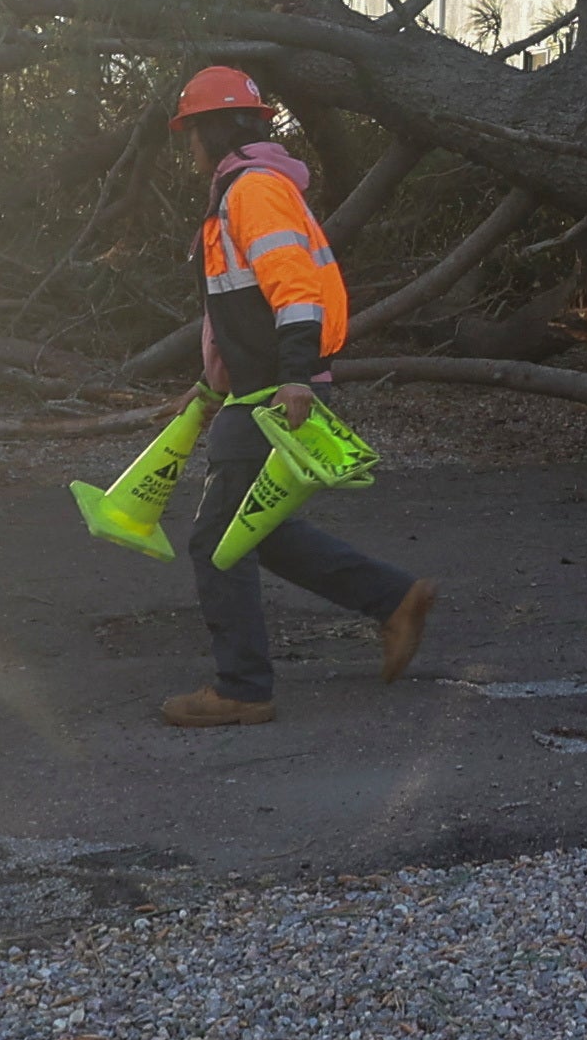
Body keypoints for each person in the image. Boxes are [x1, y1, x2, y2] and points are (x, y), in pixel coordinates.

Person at [151, 66, 435, 728]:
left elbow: (296, 292)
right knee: (263, 531)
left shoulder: (253, 191)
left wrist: (297, 378)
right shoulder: (238, 194)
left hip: (277, 395)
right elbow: (237, 311)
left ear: (215, 130)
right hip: (260, 390)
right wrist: (206, 389)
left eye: (191, 132)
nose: (188, 147)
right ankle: (396, 599)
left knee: (216, 539)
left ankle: (242, 687)